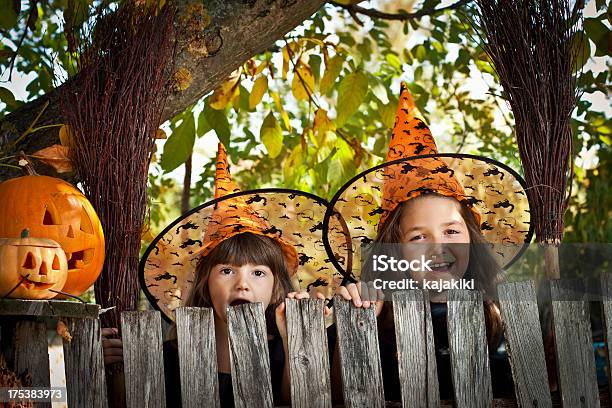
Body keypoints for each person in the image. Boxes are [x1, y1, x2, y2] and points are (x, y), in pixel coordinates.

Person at [324, 83, 533, 401]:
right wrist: (356, 323)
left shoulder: (501, 312)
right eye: (418, 236)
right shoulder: (378, 313)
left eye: (451, 231)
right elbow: (338, 396)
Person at [103, 143, 350, 407]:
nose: (242, 284)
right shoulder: (169, 357)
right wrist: (112, 371)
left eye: (257, 272)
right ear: (205, 283)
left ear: (276, 288)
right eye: (227, 270)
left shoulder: (282, 351)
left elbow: (303, 400)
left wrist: (294, 341)